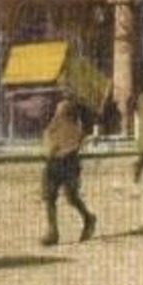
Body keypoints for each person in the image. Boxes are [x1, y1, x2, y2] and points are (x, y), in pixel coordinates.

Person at [41, 99, 96, 246]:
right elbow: (48, 145)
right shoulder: (54, 127)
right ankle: (52, 231)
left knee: (71, 197)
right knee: (49, 197)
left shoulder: (74, 129)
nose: (59, 114)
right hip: (54, 164)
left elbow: (71, 144)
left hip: (68, 164)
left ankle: (88, 218)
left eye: (62, 111)